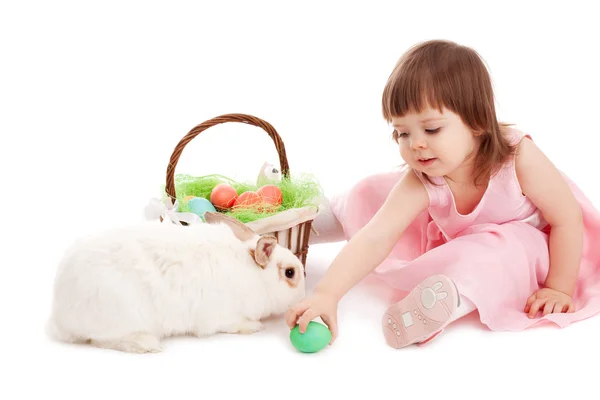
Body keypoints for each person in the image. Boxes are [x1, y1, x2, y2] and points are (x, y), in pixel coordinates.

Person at [285, 39, 600, 349]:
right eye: (402, 133)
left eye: (431, 129)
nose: (415, 144)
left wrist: (559, 287)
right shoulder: (424, 176)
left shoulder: (518, 156)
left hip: (538, 248)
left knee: (494, 254)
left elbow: (566, 219)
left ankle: (446, 302)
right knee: (374, 190)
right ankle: (301, 226)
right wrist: (327, 293)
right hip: (460, 238)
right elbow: (375, 238)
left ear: (478, 122)